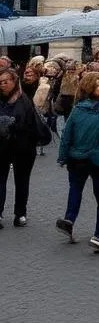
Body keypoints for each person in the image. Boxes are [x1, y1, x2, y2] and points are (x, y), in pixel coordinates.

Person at [56, 71, 99, 251]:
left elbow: (67, 136)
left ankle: (70, 218)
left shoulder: (78, 110)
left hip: (76, 157)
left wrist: (63, 157)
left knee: (76, 189)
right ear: (91, 89)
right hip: (97, 158)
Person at [0, 66, 47, 227]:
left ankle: (20, 213)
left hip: (23, 147)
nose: (2, 85)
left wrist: (11, 123)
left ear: (14, 82)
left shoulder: (24, 100)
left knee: (21, 181)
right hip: (2, 146)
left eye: (6, 82)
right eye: (0, 82)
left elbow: (27, 124)